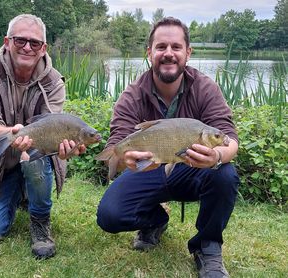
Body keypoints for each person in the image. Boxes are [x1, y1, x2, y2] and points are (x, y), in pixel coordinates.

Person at [96, 17, 239, 278]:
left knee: (225, 173)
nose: (169, 54)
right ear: (149, 52)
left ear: (188, 52)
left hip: (191, 168)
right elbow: (119, 137)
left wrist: (216, 155)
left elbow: (230, 139)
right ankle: (155, 221)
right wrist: (126, 156)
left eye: (176, 47)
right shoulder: (133, 93)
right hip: (148, 168)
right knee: (109, 216)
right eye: (161, 47)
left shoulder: (205, 88)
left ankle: (207, 247)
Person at [0, 14, 85, 259]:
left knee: (32, 160)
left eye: (34, 43)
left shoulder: (54, 81)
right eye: (20, 40)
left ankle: (40, 222)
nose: (27, 47)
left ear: (43, 48)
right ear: (6, 41)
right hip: (2, 161)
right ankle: (19, 192)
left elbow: (53, 128)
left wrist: (64, 148)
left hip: (37, 156)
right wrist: (9, 133)